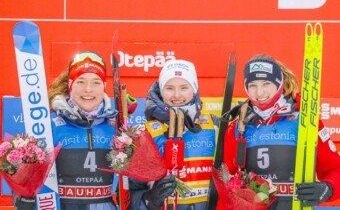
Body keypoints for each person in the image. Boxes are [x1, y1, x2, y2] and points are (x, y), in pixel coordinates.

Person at [219, 54, 340, 209]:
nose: (259, 93)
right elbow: (226, 182)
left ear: (279, 84)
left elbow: (335, 169)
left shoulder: (305, 121)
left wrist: (328, 189)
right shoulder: (237, 127)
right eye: (252, 85)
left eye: (266, 84)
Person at [14, 51, 118, 210]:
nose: (88, 89)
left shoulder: (116, 128)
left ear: (104, 87)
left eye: (96, 82)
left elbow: (131, 188)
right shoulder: (48, 125)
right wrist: (24, 201)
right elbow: (24, 179)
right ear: (70, 86)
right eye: (81, 81)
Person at [128, 59, 219, 210]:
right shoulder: (146, 134)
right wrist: (150, 199)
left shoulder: (214, 125)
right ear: (162, 91)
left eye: (184, 87)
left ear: (194, 89)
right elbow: (130, 195)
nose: (177, 95)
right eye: (169, 88)